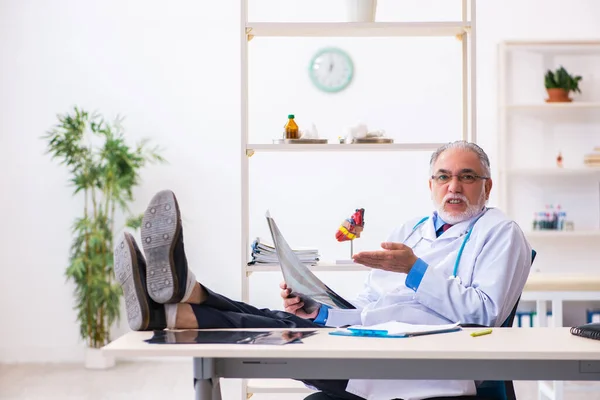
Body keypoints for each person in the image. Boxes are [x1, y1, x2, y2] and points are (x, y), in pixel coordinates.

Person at [114, 140, 533, 400]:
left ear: (487, 186)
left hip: (425, 364)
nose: (453, 187)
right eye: (443, 177)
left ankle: (183, 300)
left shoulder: (501, 232)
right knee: (281, 320)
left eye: (466, 177)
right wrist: (320, 312)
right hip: (371, 343)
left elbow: (485, 314)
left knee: (275, 330)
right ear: (430, 185)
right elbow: (371, 307)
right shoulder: (412, 229)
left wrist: (414, 270)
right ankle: (181, 301)